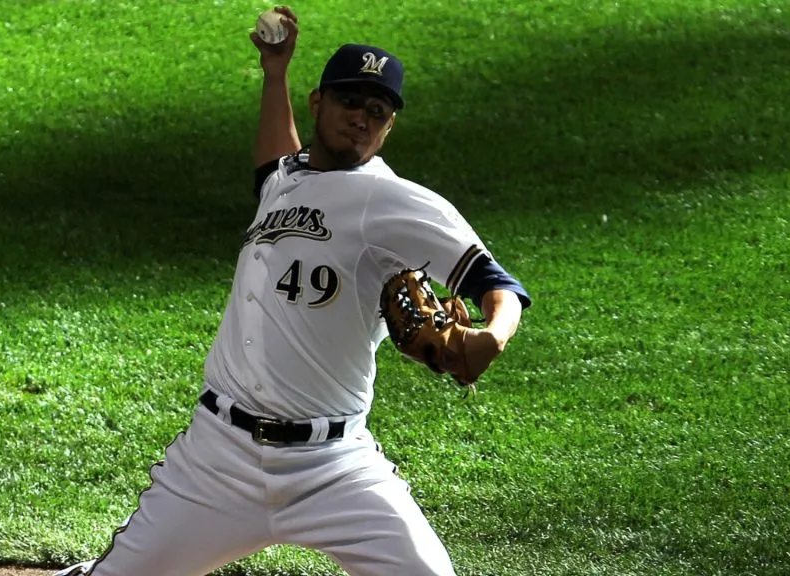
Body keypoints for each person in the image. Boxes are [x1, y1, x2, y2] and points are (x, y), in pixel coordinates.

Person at [53, 6, 531, 576]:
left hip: (334, 467)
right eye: (350, 101)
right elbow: (271, 165)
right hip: (217, 460)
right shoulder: (285, 179)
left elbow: (498, 285)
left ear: (388, 127)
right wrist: (274, 73)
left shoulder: (392, 202)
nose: (361, 118)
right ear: (318, 103)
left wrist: (493, 336)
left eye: (377, 111)